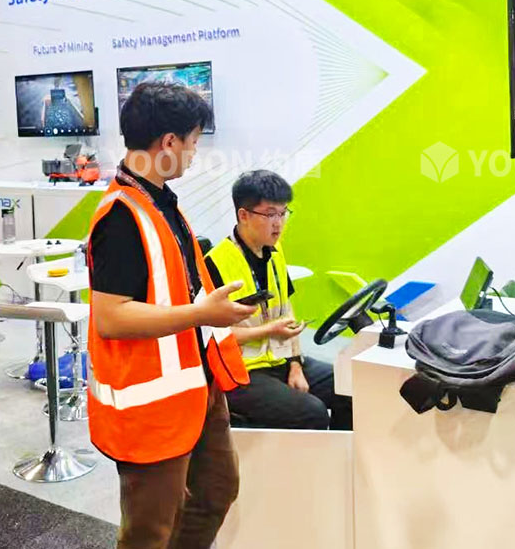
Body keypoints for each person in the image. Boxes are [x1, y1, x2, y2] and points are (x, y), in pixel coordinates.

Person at [88, 81, 257, 549]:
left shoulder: (159, 202)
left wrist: (207, 314)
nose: (194, 154)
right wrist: (200, 313)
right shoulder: (121, 215)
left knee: (216, 490)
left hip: (195, 385)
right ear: (168, 142)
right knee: (150, 529)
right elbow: (111, 318)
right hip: (152, 404)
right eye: (193, 143)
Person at [204, 170, 353, 431]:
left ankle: (344, 455)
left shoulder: (275, 252)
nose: (279, 223)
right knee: (313, 413)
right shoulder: (215, 263)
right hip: (241, 372)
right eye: (270, 214)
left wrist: (295, 364)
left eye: (283, 213)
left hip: (281, 360)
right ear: (244, 215)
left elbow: (287, 310)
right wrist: (270, 330)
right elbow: (213, 338)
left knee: (350, 387)